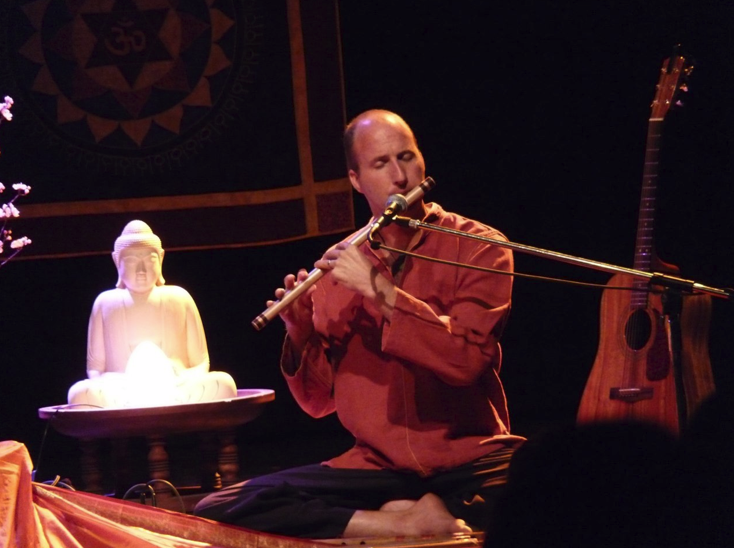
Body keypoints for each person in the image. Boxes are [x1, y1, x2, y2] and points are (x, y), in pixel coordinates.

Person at [194, 110, 524, 538]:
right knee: (223, 504)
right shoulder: (338, 266)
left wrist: (378, 290)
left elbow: (466, 362)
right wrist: (300, 335)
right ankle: (400, 521)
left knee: (563, 485)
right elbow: (318, 403)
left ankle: (416, 513)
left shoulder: (480, 247)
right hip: (377, 469)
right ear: (355, 179)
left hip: (470, 458)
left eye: (406, 157)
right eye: (381, 164)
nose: (400, 176)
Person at [67, 220, 237, 408]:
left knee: (224, 383)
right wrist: (124, 380)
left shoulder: (179, 297)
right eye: (131, 261)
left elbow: (202, 362)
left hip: (175, 388)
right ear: (116, 261)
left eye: (150, 260)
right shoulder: (105, 303)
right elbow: (95, 371)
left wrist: (178, 376)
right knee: (79, 394)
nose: (141, 270)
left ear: (161, 258)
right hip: (124, 391)